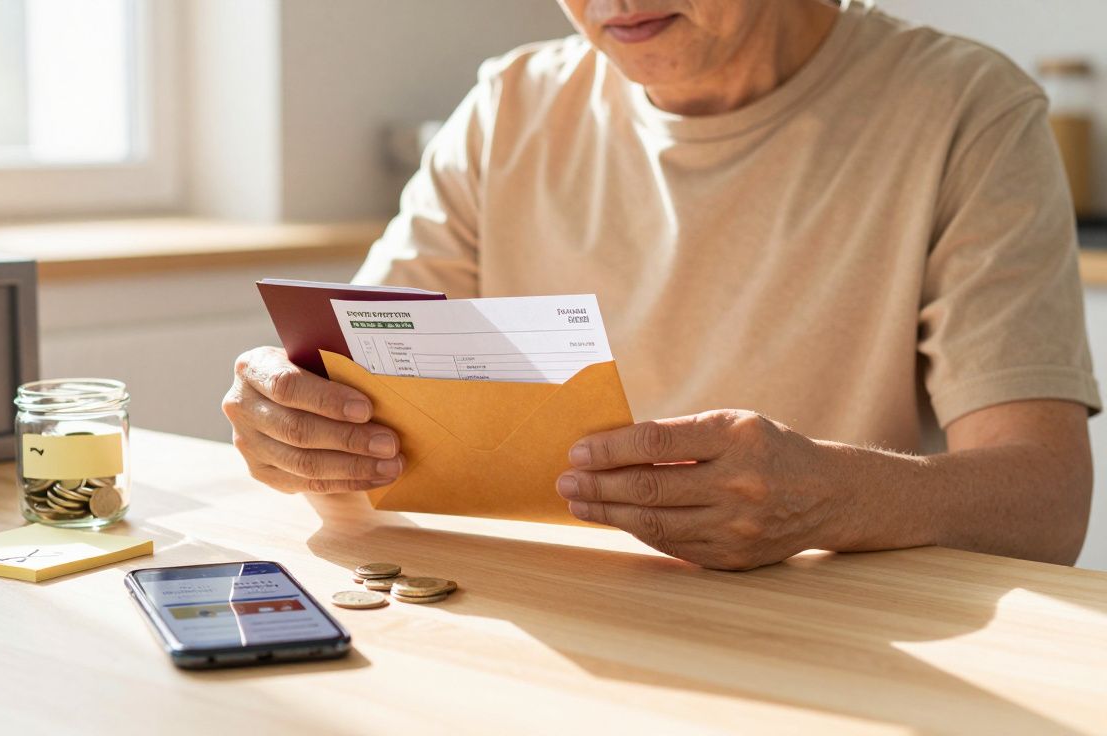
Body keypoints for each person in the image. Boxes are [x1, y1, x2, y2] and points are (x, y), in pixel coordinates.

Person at [223, 0, 1100, 570]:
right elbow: (356, 391)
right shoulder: (507, 108)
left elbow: (1047, 502)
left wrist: (833, 497)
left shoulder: (967, 110)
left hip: (832, 637)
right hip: (558, 614)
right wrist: (294, 420)